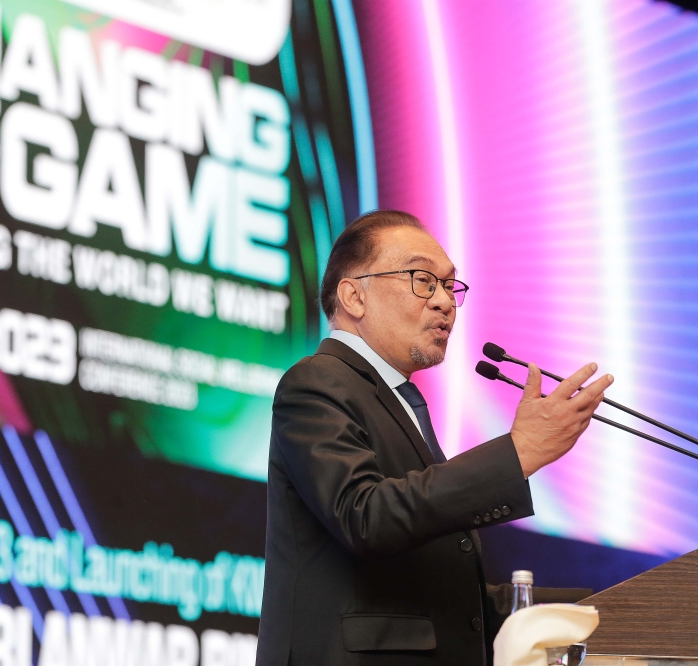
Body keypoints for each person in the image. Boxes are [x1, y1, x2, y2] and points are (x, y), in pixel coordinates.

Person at [255, 210, 613, 666]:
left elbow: (451, 599)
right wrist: (517, 453)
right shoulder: (317, 381)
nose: (446, 302)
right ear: (353, 296)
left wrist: (615, 605)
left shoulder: (401, 402)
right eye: (424, 280)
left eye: (450, 286)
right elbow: (365, 516)